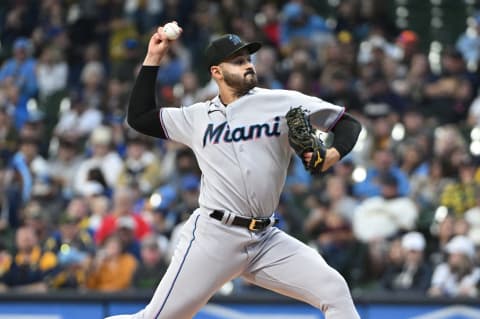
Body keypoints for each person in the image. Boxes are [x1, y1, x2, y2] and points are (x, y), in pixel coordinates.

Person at [108, 24, 361, 319]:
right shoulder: (196, 117)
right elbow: (139, 118)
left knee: (334, 290)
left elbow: (347, 124)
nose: (248, 65)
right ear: (217, 71)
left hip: (266, 239)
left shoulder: (281, 102)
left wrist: (331, 154)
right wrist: (153, 57)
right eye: (238, 61)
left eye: (248, 59)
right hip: (214, 237)